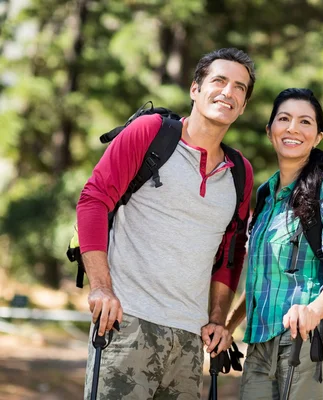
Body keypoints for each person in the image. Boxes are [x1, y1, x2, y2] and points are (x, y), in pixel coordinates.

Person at [77, 48, 255, 399]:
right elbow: (93, 199)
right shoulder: (151, 133)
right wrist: (101, 287)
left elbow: (230, 251)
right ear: (194, 89)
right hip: (127, 324)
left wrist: (217, 318)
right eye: (219, 80)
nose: (228, 92)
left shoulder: (241, 172)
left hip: (189, 341)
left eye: (239, 87)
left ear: (244, 105)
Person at [226, 88, 323, 399]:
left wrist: (313, 310)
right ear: (270, 130)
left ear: (318, 136)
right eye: (284, 118)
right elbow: (261, 280)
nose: (293, 128)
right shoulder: (266, 197)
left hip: (312, 338)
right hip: (258, 344)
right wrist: (227, 326)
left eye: (305, 122)